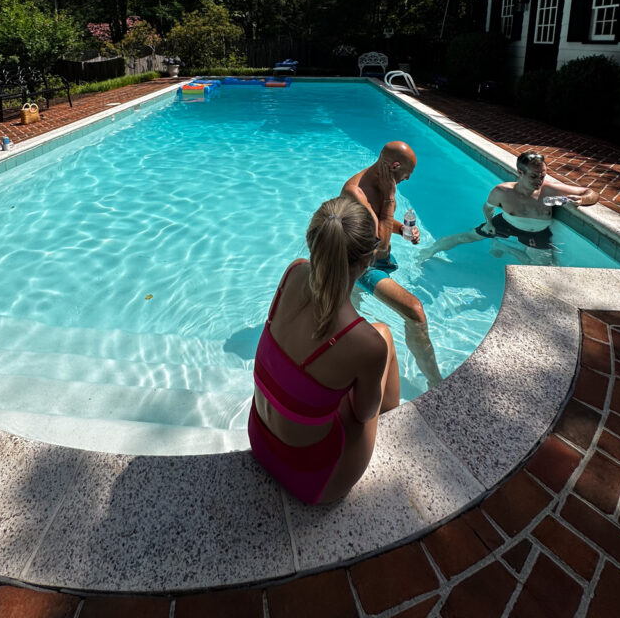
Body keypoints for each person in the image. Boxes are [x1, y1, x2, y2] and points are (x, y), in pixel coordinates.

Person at [248, 197, 400, 504]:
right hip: (312, 479)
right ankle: (397, 427)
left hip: (259, 440)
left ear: (312, 242)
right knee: (384, 336)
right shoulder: (365, 343)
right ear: (368, 260)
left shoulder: (293, 273)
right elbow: (363, 413)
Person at [341, 142, 442, 388]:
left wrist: (404, 229)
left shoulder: (380, 182)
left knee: (353, 309)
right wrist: (389, 199)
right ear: (395, 166)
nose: (407, 178)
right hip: (362, 265)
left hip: (370, 257)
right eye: (407, 173)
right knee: (415, 312)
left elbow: (379, 222)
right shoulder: (355, 192)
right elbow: (381, 246)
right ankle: (436, 383)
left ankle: (348, 333)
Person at [419, 150, 600, 262]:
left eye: (543, 176)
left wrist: (582, 200)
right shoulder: (502, 192)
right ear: (520, 172)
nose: (540, 181)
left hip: (537, 233)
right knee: (466, 237)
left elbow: (591, 192)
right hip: (506, 224)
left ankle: (505, 248)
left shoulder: (550, 190)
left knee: (541, 266)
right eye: (534, 176)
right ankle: (429, 251)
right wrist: (489, 223)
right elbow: (488, 208)